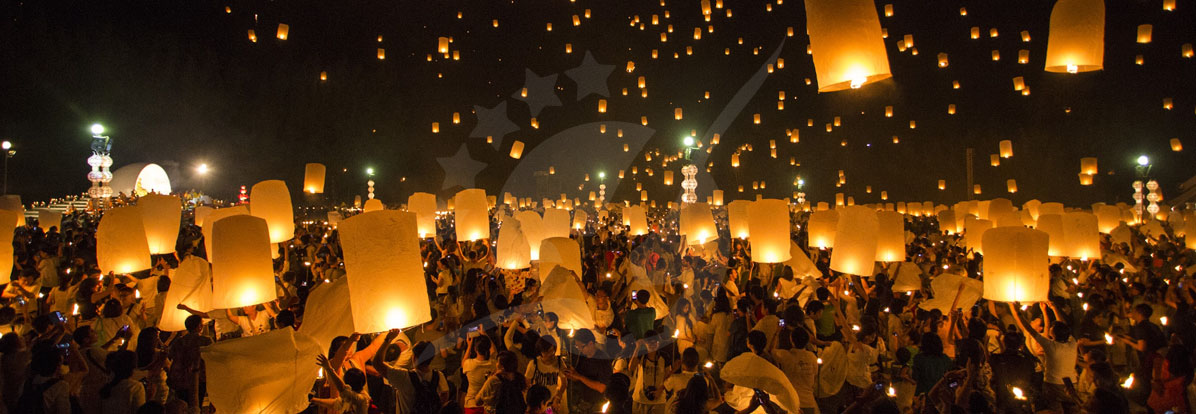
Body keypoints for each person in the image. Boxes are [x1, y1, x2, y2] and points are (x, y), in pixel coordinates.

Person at [1009, 303, 1078, 414]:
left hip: (1053, 384)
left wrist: (1018, 313)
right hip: (1071, 384)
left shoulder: (1050, 345)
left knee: (1055, 410)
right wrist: (1054, 308)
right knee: (1073, 410)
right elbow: (1064, 327)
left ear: (1054, 333)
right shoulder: (1072, 343)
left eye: (1052, 327)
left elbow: (1030, 330)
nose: (1049, 327)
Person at [373, 329, 449, 414]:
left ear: (414, 358)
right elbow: (444, 396)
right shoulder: (439, 376)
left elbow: (377, 363)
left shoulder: (404, 377)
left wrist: (388, 339)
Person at [166, 315, 212, 409]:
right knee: (196, 405)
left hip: (181, 379)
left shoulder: (179, 342)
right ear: (199, 326)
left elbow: (170, 355)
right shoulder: (205, 341)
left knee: (183, 405)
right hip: (199, 378)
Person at [563, 329, 611, 414]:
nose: (579, 349)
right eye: (577, 347)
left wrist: (580, 377)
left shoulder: (602, 359)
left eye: (581, 347)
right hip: (582, 402)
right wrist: (572, 375)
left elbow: (602, 387)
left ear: (591, 343)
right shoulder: (582, 356)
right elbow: (578, 377)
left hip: (597, 405)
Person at [99, 350, 145, 414]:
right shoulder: (135, 387)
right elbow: (139, 411)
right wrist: (150, 397)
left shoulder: (106, 385)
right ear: (133, 367)